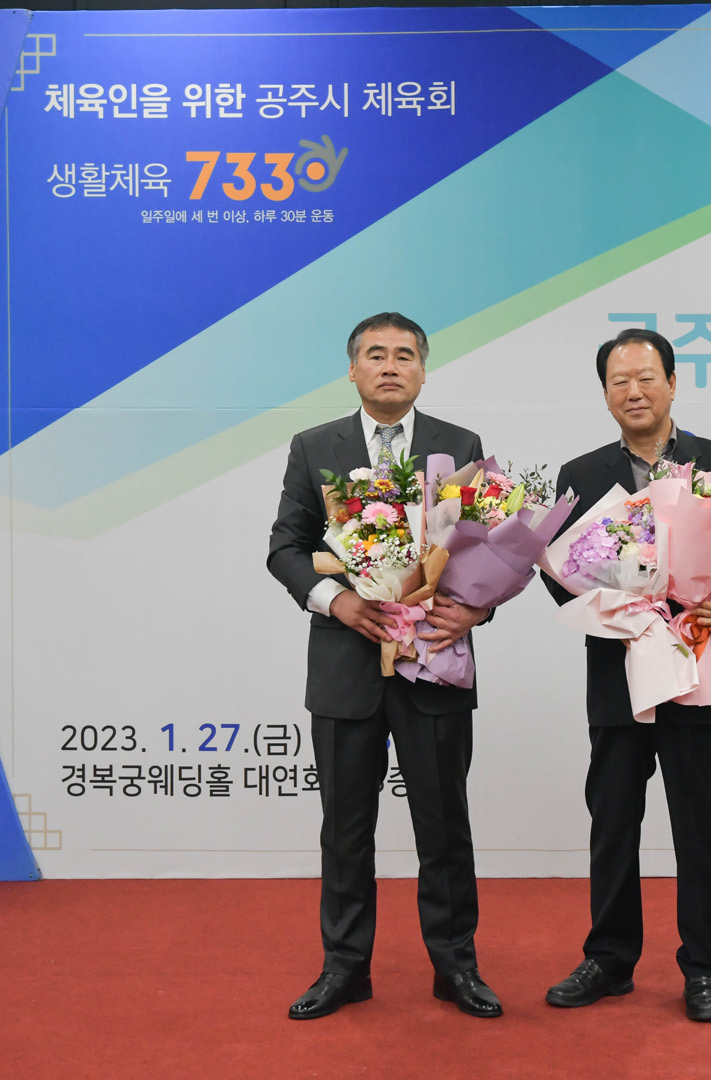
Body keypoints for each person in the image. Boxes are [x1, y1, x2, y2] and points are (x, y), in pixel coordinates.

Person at [541, 327, 711, 1023]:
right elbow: (558, 574)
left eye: (647, 378)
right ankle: (610, 959)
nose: (634, 391)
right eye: (619, 381)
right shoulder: (580, 474)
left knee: (701, 823)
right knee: (614, 819)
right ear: (605, 394)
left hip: (702, 665)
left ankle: (704, 967)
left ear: (673, 384)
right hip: (620, 673)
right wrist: (620, 607)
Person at [267, 312, 501, 1020]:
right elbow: (285, 548)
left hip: (435, 662)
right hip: (346, 666)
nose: (390, 365)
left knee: (444, 824)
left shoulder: (459, 446)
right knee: (344, 828)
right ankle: (344, 969)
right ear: (353, 369)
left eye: (404, 355)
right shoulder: (316, 447)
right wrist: (337, 601)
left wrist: (475, 611)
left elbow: (487, 551)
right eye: (375, 354)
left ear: (423, 370)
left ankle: (456, 967)